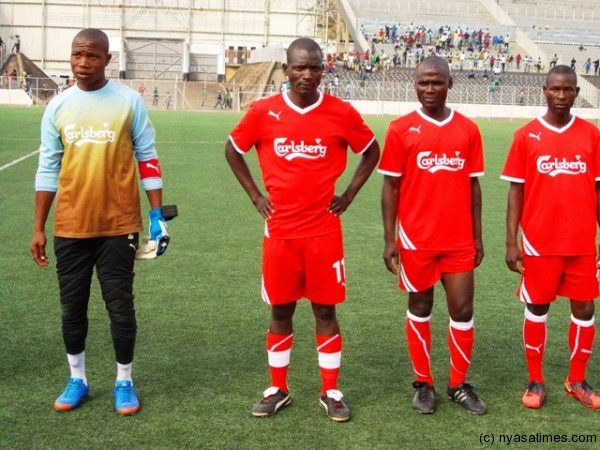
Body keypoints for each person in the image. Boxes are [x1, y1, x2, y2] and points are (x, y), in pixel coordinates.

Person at [225, 37, 380, 422]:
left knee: (325, 310)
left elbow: (372, 150)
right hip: (280, 232)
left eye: (314, 67)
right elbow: (232, 149)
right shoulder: (264, 112)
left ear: (323, 69)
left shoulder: (340, 112)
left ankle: (331, 390)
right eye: (299, 67)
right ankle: (278, 387)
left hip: (324, 231)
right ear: (286, 70)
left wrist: (348, 194)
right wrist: (256, 197)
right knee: (281, 309)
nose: (307, 74)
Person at [30, 28, 169, 416]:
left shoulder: (128, 101)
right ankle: (78, 379)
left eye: (92, 56)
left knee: (120, 307)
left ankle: (124, 381)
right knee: (71, 308)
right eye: (77, 55)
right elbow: (47, 168)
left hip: (118, 224)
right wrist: (40, 227)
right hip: (70, 225)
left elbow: (148, 157)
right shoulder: (58, 106)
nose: (83, 63)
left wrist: (157, 216)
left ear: (108, 60)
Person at [380, 55, 487, 415]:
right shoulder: (399, 129)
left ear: (450, 83)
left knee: (463, 309)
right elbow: (390, 187)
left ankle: (458, 383)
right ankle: (423, 384)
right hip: (416, 240)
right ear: (414, 84)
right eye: (423, 82)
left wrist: (477, 237)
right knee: (420, 307)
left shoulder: (468, 130)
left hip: (458, 239)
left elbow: (474, 188)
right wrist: (389, 238)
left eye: (437, 81)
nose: (430, 88)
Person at [501, 65, 600, 410]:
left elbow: (598, 190)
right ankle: (535, 380)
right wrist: (512, 242)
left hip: (582, 244)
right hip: (539, 243)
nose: (561, 96)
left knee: (585, 309)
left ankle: (577, 380)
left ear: (576, 92)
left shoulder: (591, 135)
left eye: (568, 90)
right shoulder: (526, 135)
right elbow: (516, 191)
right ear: (544, 90)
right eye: (555, 89)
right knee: (537, 307)